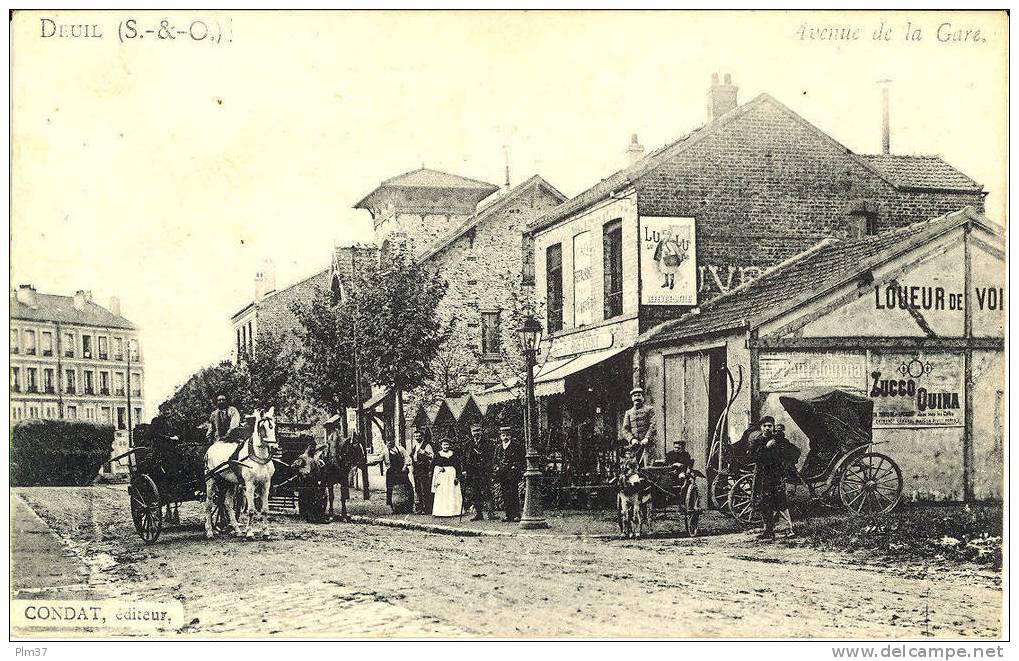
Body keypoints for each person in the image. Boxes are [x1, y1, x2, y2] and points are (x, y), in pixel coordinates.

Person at [750, 416, 799, 540]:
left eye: (769, 426)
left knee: (780, 502)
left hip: (776, 475)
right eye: (764, 426)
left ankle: (787, 530)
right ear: (761, 428)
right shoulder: (757, 441)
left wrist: (785, 462)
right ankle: (768, 531)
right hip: (762, 475)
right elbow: (753, 457)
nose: (767, 428)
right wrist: (766, 447)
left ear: (773, 427)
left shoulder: (779, 440)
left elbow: (793, 452)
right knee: (764, 502)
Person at [492, 425, 524, 522]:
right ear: (500, 436)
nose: (505, 437)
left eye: (507, 435)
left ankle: (516, 514)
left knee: (513, 493)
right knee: (505, 494)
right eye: (503, 435)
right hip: (502, 474)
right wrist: (497, 467)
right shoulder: (498, 447)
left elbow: (520, 459)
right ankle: (508, 514)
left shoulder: (516, 446)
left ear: (510, 436)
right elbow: (495, 460)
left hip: (512, 473)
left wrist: (515, 468)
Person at [622, 387, 658, 467]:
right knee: (634, 469)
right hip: (635, 447)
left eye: (639, 395)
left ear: (642, 397)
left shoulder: (649, 409)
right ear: (632, 398)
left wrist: (647, 438)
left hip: (648, 446)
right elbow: (625, 429)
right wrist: (632, 439)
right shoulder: (628, 412)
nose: (637, 398)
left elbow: (653, 425)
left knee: (648, 468)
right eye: (635, 396)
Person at [461, 423, 491, 521]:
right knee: (476, 492)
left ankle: (491, 512)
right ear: (471, 432)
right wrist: (464, 470)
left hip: (484, 471)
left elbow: (490, 457)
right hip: (473, 472)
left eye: (478, 430)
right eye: (474, 431)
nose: (476, 433)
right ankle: (479, 513)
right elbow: (465, 459)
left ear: (481, 431)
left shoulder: (487, 443)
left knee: (487, 491)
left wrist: (488, 467)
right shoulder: (468, 444)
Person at [431, 439, 463, 517]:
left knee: (452, 492)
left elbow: (458, 466)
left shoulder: (453, 454)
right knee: (443, 492)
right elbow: (433, 466)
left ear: (449, 445)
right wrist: (439, 469)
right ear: (441, 446)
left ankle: (454, 511)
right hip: (442, 476)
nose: (445, 446)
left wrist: (457, 476)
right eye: (444, 445)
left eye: (447, 444)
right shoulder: (438, 455)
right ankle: (442, 511)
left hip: (452, 475)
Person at [382, 437, 413, 514]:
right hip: (391, 472)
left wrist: (405, 466)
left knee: (408, 487)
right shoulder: (385, 452)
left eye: (390, 441)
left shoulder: (400, 449)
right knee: (390, 489)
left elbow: (407, 458)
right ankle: (393, 507)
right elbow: (378, 459)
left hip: (401, 471)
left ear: (393, 441)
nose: (388, 443)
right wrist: (366, 463)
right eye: (387, 442)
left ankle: (409, 507)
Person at [410, 428, 435, 514]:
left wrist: (424, 452)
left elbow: (432, 456)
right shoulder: (415, 446)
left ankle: (427, 508)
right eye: (416, 436)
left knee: (425, 489)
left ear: (422, 437)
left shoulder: (427, 445)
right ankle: (420, 508)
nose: (417, 438)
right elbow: (413, 457)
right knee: (418, 489)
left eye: (419, 436)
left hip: (424, 470)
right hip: (416, 470)